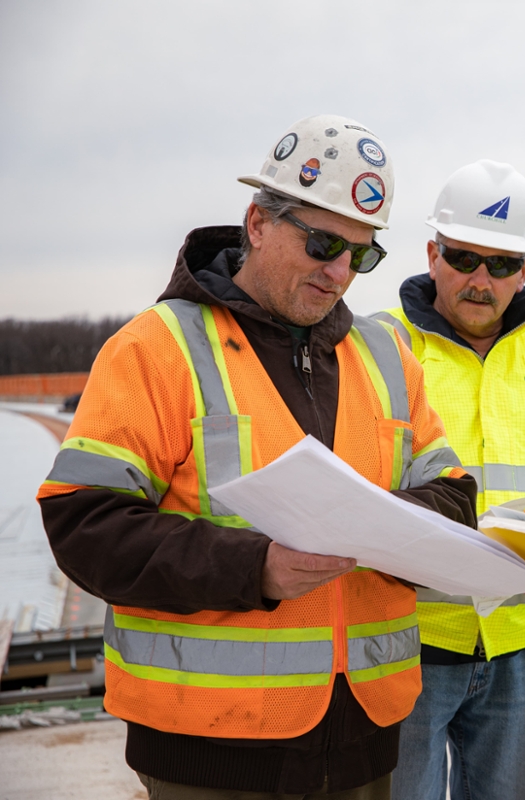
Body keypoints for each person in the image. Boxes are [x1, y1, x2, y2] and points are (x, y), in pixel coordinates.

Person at [38, 115, 477, 800]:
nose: (339, 273)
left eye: (362, 255)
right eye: (323, 242)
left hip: (365, 741)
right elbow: (86, 527)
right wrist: (257, 568)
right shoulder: (157, 348)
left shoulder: (388, 357)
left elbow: (451, 492)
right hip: (211, 751)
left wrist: (384, 523)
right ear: (257, 223)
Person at [372, 160, 525, 800]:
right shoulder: (379, 346)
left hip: (522, 644)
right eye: (464, 258)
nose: (480, 280)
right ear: (433, 253)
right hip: (408, 639)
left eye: (502, 265)